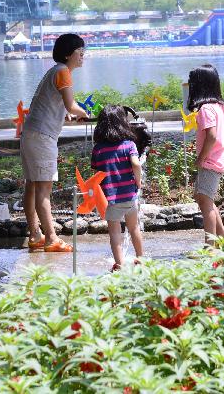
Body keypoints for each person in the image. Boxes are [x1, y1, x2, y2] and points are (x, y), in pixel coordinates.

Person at [21, 33, 89, 252]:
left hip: (31, 134)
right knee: (43, 189)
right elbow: (71, 105)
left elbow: (60, 104)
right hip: (42, 137)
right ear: (69, 54)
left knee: (32, 185)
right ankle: (51, 238)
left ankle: (35, 235)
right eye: (80, 53)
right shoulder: (62, 72)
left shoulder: (56, 71)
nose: (82, 57)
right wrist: (83, 113)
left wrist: (68, 112)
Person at [91, 105, 144, 270]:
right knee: (134, 227)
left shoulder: (98, 149)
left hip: (110, 199)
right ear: (123, 123)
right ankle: (140, 258)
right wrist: (139, 181)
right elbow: (136, 164)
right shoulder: (129, 145)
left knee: (114, 232)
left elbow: (96, 173)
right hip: (129, 196)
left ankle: (119, 264)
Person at [187, 64, 224, 244]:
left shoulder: (206, 109)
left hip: (210, 161)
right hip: (221, 159)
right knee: (202, 197)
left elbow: (212, 136)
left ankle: (210, 245)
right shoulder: (222, 107)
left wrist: (201, 158)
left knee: (205, 203)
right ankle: (222, 235)